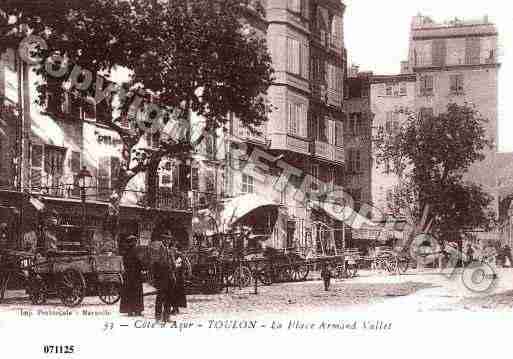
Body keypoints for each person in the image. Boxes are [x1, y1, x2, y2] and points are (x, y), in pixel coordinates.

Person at [119, 235, 144, 317]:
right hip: (136, 275)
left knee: (128, 293)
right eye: (135, 241)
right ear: (133, 242)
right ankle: (137, 310)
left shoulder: (125, 252)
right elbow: (140, 262)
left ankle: (129, 310)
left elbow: (125, 262)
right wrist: (142, 268)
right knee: (136, 293)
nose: (135, 243)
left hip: (128, 275)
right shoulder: (136, 251)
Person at [167, 236, 187, 315]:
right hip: (175, 276)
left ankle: (175, 309)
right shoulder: (172, 254)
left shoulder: (179, 255)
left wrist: (177, 266)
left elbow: (183, 265)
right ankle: (175, 308)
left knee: (176, 293)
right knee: (174, 293)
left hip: (178, 277)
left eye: (174, 248)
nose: (173, 249)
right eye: (172, 247)